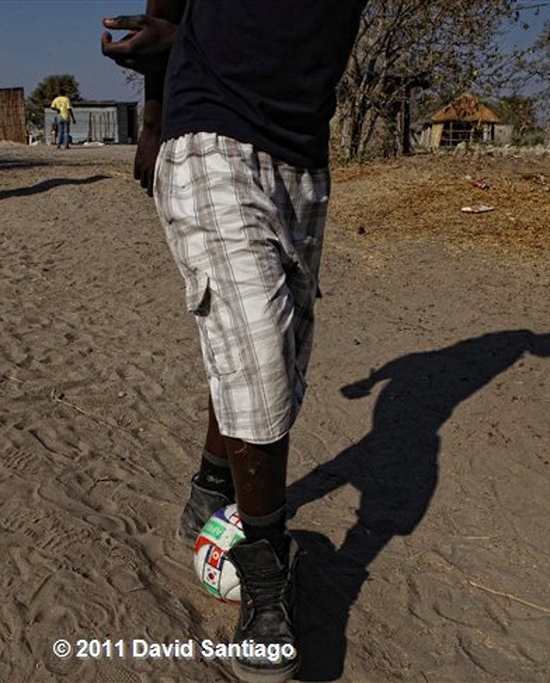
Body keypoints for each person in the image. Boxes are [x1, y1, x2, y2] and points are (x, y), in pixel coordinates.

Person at [102, 2, 365, 681]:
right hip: (206, 124)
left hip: (303, 154)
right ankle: (267, 579)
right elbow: (164, 13)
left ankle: (210, 485)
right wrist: (153, 117)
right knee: (257, 351)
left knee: (269, 347)